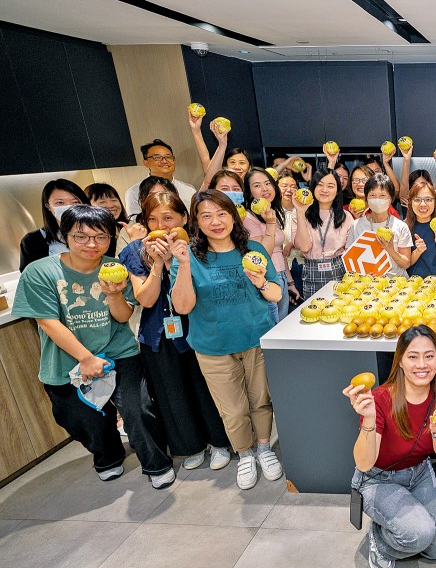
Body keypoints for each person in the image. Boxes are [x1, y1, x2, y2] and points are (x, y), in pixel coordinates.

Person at [13, 205, 174, 488]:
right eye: (81, 237)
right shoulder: (40, 272)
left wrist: (113, 294)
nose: (92, 244)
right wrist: (85, 358)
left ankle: (156, 462)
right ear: (65, 236)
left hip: (119, 351)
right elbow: (48, 322)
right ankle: (108, 455)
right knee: (81, 418)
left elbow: (123, 316)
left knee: (139, 411)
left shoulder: (115, 267)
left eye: (101, 237)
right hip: (66, 360)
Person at [170, 190, 283, 490]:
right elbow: (182, 307)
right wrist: (182, 265)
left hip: (256, 339)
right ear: (196, 221)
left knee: (261, 400)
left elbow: (276, 293)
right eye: (206, 216)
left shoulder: (254, 249)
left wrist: (261, 282)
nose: (216, 222)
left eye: (221, 214)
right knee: (232, 409)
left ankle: (264, 448)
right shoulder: (188, 257)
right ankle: (244, 454)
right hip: (213, 347)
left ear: (233, 216)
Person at [120, 192, 232, 472]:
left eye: (168, 218)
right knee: (171, 393)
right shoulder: (136, 251)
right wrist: (158, 262)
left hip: (197, 327)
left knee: (205, 388)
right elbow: (145, 299)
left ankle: (219, 442)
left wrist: (177, 261)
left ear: (184, 218)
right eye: (153, 220)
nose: (162, 226)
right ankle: (189, 445)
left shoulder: (199, 248)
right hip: (158, 333)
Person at [343, 326, 436, 568]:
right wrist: (369, 420)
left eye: (429, 355)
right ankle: (381, 541)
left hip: (419, 473)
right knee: (420, 534)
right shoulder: (381, 399)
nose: (422, 364)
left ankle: (396, 527)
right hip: (377, 478)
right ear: (401, 361)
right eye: (413, 356)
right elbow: (363, 463)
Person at [292, 168, 355, 296]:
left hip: (339, 271)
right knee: (312, 313)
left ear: (337, 190)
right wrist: (300, 211)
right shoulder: (298, 213)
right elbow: (304, 247)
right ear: (313, 187)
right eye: (320, 185)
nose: (324, 190)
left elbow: (351, 252)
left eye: (330, 186)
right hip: (311, 271)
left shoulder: (346, 216)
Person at [242, 168, 290, 321]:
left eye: (268, 183)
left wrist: (289, 280)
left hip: (280, 276)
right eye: (257, 185)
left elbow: (280, 251)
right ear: (249, 192)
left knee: (282, 329)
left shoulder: (272, 212)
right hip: (266, 280)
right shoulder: (248, 218)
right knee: (272, 330)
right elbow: (262, 256)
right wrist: (270, 224)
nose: (265, 189)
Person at [347, 174, 414, 276]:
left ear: (390, 199)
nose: (377, 199)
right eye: (372, 195)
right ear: (366, 198)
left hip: (396, 285)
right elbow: (350, 261)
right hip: (366, 285)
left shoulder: (400, 226)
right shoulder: (356, 225)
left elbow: (406, 264)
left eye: (382, 195)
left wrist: (391, 250)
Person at [19, 179, 88, 272]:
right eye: (60, 203)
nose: (68, 207)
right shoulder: (32, 240)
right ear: (48, 206)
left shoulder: (99, 234)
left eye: (75, 202)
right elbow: (30, 276)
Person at [125, 139, 197, 215]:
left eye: (168, 157)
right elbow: (135, 221)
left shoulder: (189, 189)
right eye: (157, 157)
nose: (164, 161)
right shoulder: (134, 192)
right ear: (146, 163)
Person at [405, 182, 436, 278]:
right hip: (415, 285)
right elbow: (405, 263)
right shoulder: (404, 227)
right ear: (410, 202)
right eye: (417, 200)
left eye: (428, 199)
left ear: (435, 202)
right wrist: (418, 251)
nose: (423, 204)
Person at [277, 170, 305, 305]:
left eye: (294, 186)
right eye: (284, 185)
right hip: (281, 266)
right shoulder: (272, 211)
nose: (289, 189)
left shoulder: (304, 209)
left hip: (301, 261)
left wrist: (292, 243)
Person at [85, 183, 136, 256]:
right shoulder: (91, 235)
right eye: (102, 202)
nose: (111, 205)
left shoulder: (130, 226)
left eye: (113, 200)